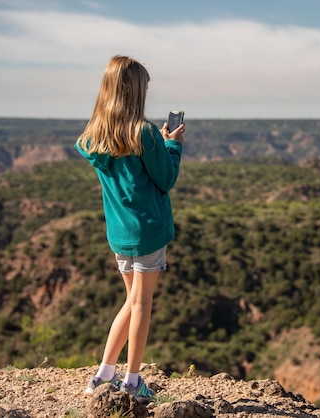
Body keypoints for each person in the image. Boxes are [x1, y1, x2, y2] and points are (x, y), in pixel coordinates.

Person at [74, 55, 185, 404]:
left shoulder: (95, 137)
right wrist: (173, 144)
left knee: (131, 300)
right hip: (148, 231)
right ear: (134, 90)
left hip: (119, 233)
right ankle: (133, 381)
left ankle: (104, 374)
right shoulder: (145, 132)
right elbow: (166, 179)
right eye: (144, 88)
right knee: (142, 303)